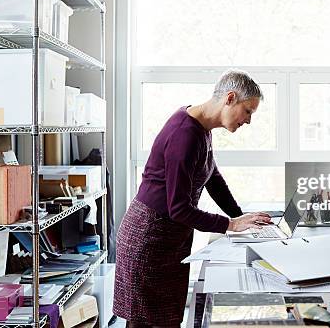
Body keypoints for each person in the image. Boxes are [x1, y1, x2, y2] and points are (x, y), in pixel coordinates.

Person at [113, 69, 272, 327]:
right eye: (248, 112)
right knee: (146, 321)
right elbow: (179, 209)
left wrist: (239, 216)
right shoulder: (184, 135)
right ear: (230, 98)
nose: (249, 121)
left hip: (168, 238)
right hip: (150, 239)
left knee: (165, 319)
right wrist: (230, 225)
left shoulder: (202, 128)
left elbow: (212, 177)